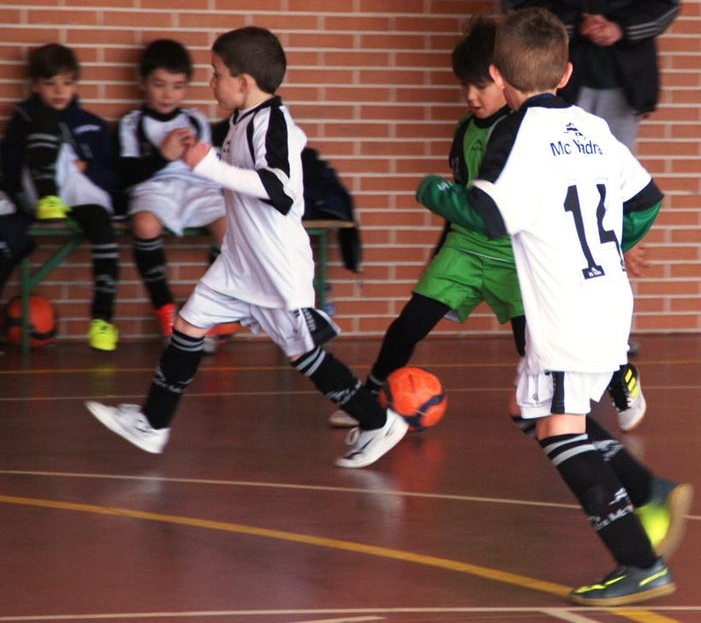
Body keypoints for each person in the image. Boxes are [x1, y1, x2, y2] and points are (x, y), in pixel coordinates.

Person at [415, 8, 686, 607]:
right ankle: (644, 483)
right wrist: (612, 245)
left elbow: (487, 216)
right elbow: (647, 200)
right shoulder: (592, 127)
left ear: (496, 74)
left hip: (565, 311)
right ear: (565, 74)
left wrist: (437, 192)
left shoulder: (515, 136)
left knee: (560, 431)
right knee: (526, 408)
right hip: (607, 297)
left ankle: (639, 562)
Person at [86, 26, 405, 469]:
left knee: (305, 355)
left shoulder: (271, 122)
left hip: (274, 267)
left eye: (216, 73)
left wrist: (210, 167)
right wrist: (206, 162)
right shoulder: (242, 119)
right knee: (188, 325)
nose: (210, 82)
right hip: (240, 261)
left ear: (243, 82)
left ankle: (378, 421)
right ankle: (153, 423)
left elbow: (280, 189)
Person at [327, 15, 648, 433]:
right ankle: (368, 398)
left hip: (518, 256)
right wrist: (439, 255)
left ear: (504, 79)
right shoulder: (465, 131)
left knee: (538, 345)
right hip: (465, 249)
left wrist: (619, 241)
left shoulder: (531, 132)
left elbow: (582, 199)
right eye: (465, 86)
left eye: (481, 85)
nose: (471, 96)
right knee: (409, 324)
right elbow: (466, 198)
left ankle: (614, 383)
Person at [501, 0, 683, 387]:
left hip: (623, 80)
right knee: (557, 208)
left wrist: (621, 28)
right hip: (557, 82)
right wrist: (571, 28)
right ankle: (557, 322)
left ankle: (612, 328)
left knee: (607, 206)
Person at [0, 43, 123, 351]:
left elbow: (114, 177)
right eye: (50, 83)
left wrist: (88, 167)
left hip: (79, 193)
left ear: (76, 84)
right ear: (35, 86)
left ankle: (102, 321)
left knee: (104, 231)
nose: (59, 90)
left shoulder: (92, 124)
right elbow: (9, 165)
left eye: (67, 83)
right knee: (46, 118)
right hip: (37, 192)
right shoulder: (25, 117)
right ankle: (48, 197)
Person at [117, 39, 227, 345]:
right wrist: (162, 156)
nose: (168, 94)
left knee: (230, 227)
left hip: (197, 187)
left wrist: (197, 156)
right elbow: (127, 174)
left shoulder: (195, 120)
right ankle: (165, 308)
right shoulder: (132, 123)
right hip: (153, 188)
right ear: (142, 83)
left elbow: (210, 168)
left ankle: (205, 314)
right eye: (159, 85)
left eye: (177, 86)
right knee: (144, 224)